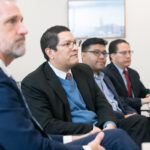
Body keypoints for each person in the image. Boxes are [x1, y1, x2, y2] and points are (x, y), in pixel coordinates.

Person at [0, 0, 139, 150]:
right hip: (77, 130)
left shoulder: (83, 71)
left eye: (75, 43)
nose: (75, 49)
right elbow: (42, 130)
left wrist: (109, 124)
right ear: (50, 52)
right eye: (67, 44)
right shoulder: (32, 82)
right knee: (117, 137)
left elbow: (102, 104)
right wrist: (85, 139)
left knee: (138, 122)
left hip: (98, 127)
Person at [81, 37, 150, 145]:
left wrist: (132, 112)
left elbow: (119, 101)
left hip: (123, 117)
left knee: (142, 120)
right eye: (96, 53)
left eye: (104, 53)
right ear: (83, 55)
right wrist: (124, 116)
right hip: (107, 121)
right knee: (140, 121)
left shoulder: (105, 76)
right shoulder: (81, 78)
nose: (102, 56)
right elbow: (95, 108)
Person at [104, 39, 150, 114]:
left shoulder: (133, 73)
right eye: (123, 53)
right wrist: (144, 101)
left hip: (137, 115)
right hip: (121, 116)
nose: (128, 56)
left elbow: (142, 91)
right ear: (112, 56)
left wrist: (148, 95)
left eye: (129, 52)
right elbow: (117, 99)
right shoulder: (106, 74)